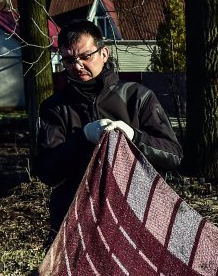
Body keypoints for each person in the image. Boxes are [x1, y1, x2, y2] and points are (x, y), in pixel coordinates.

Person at [35, 20, 183, 234]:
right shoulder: (54, 107)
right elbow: (47, 172)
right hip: (77, 220)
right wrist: (83, 138)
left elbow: (173, 155)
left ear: (104, 54)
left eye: (85, 56)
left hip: (137, 216)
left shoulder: (138, 97)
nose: (77, 66)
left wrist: (134, 137)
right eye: (68, 60)